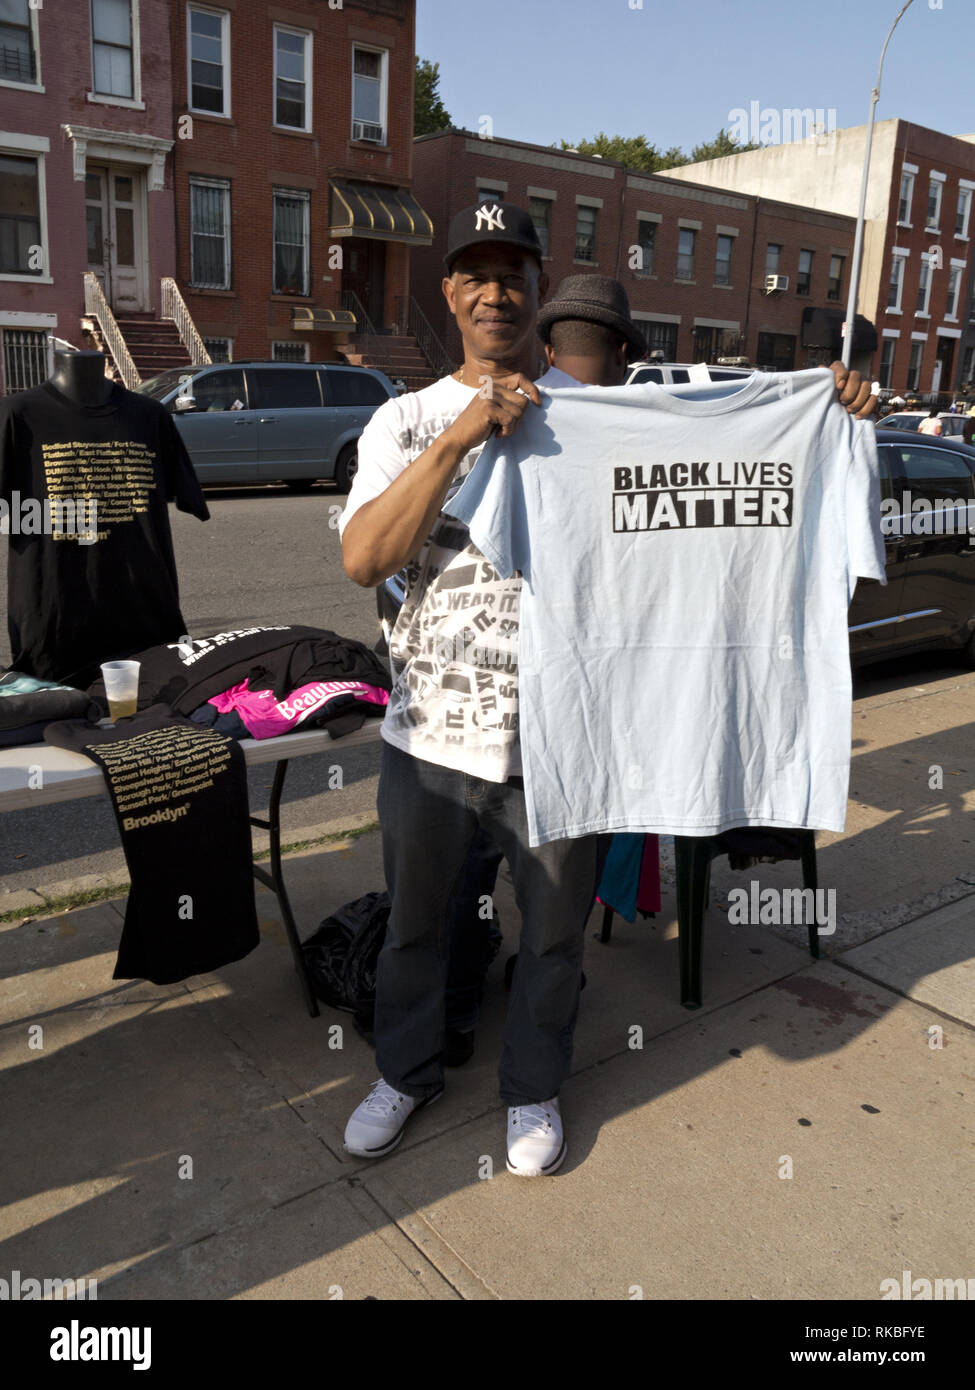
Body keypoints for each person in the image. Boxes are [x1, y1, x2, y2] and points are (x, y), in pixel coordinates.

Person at [339, 201, 879, 1177]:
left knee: (551, 940)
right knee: (417, 928)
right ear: (450, 292)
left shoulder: (584, 419)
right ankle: (403, 1073)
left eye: (515, 274)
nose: (495, 291)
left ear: (538, 296)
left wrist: (825, 411)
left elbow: (724, 469)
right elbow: (365, 556)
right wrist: (461, 435)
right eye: (476, 274)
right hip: (430, 741)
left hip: (563, 740)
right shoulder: (402, 419)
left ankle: (532, 1088)